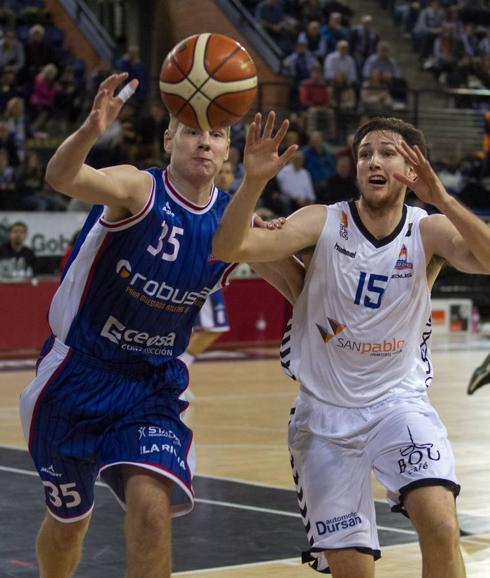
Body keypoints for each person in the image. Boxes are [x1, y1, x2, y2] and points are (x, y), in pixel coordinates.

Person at [18, 73, 301, 578]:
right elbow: (62, 178)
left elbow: (304, 292)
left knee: (152, 511)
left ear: (228, 151)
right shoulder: (138, 188)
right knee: (69, 524)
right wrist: (90, 130)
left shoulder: (236, 225)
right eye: (191, 131)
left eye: (216, 135)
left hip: (151, 386)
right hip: (75, 375)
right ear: (169, 140)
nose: (204, 142)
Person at [213, 113, 490, 577]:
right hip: (324, 419)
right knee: (353, 569)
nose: (373, 162)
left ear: (412, 169)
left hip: (398, 406)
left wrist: (441, 198)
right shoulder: (322, 222)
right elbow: (230, 247)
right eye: (364, 154)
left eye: (387, 153)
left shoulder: (426, 231)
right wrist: (253, 181)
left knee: (441, 525)